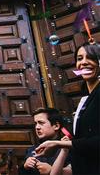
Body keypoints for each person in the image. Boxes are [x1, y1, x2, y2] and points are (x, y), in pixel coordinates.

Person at [35, 43, 100, 175]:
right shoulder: (86, 98)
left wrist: (59, 144)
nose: (84, 63)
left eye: (91, 58)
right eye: (79, 58)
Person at [20, 108, 70, 175]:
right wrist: (25, 167)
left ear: (56, 126)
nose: (37, 127)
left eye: (41, 123)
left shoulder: (67, 148)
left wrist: (51, 170)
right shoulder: (31, 150)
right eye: (36, 123)